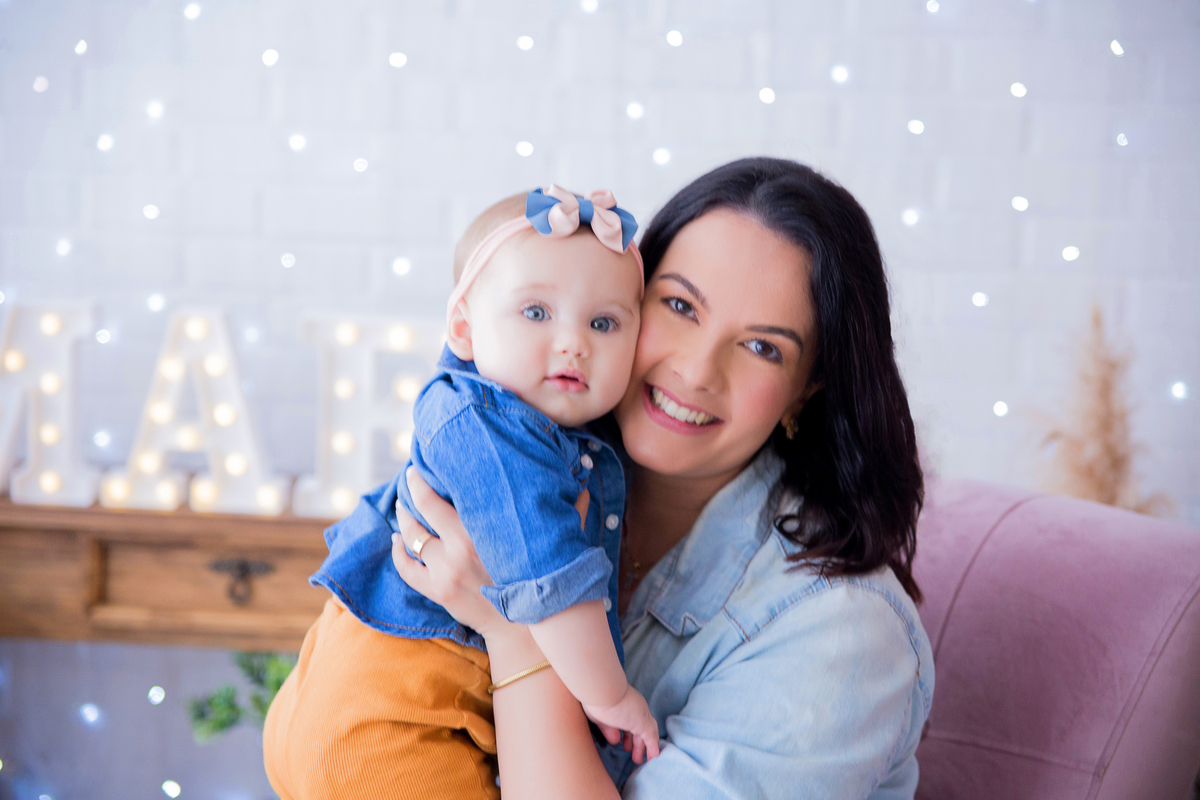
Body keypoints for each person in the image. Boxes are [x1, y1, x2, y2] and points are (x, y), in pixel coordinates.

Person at [391, 157, 936, 799]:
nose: (698, 370)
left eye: (764, 347)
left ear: (804, 392)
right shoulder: (536, 454)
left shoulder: (841, 636)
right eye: (678, 305)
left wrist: (519, 635)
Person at [263, 185, 660, 800]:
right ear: (463, 328)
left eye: (604, 323)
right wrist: (612, 697)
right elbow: (551, 584)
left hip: (351, 710)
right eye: (535, 312)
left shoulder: (527, 424)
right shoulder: (488, 429)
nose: (573, 342)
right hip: (390, 725)